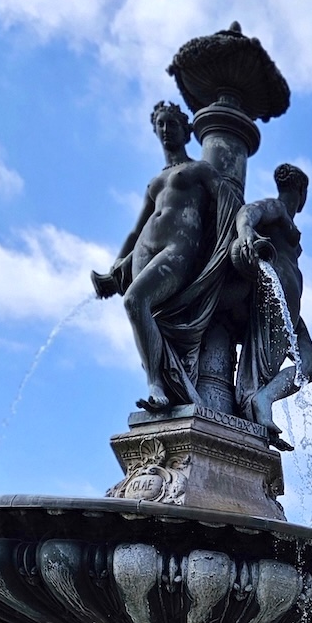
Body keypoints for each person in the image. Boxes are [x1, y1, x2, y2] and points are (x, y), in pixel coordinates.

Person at [92, 101, 224, 412]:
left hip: (178, 248)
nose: (166, 130)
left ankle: (157, 383)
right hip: (145, 249)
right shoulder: (154, 182)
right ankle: (158, 381)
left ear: (186, 130)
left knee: (135, 301)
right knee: (144, 313)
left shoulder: (200, 170)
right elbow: (136, 230)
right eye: (160, 125)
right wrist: (116, 267)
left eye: (172, 124)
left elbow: (227, 206)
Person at [231, 164, 312, 426]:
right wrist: (246, 230)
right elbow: (250, 211)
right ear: (302, 194)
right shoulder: (278, 208)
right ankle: (257, 401)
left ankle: (263, 398)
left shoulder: (286, 218)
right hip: (276, 292)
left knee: (310, 364)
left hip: (290, 302)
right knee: (269, 362)